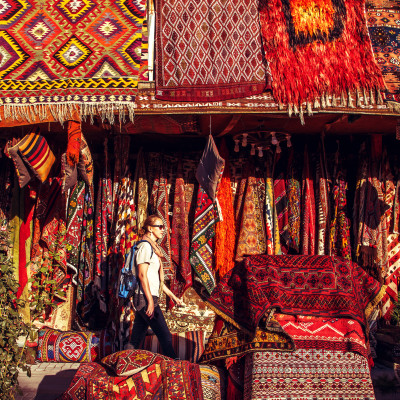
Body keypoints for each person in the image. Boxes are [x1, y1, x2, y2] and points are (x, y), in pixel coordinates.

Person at [127, 215, 184, 359]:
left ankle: (124, 361)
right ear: (150, 229)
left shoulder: (152, 248)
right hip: (145, 298)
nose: (163, 230)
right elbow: (142, 275)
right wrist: (150, 302)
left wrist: (173, 297)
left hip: (147, 296)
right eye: (160, 226)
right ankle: (175, 365)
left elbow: (155, 281)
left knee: (135, 340)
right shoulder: (145, 247)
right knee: (165, 335)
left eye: (163, 227)